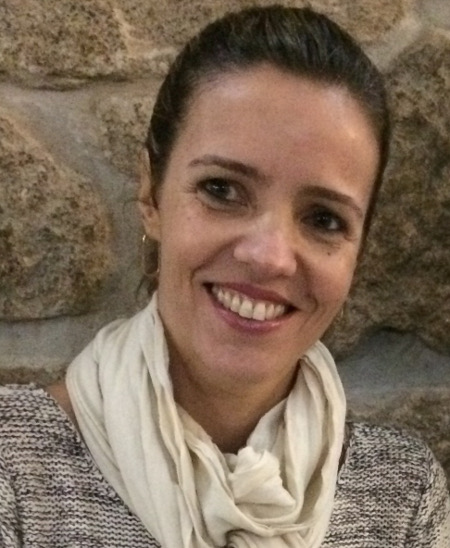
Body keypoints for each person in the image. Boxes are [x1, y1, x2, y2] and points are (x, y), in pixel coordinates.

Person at [0, 5, 449, 548]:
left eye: (324, 219)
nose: (270, 257)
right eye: (222, 190)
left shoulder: (402, 497)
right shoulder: (13, 469)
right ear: (151, 194)